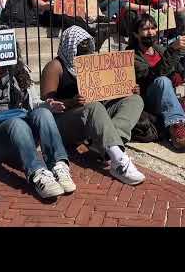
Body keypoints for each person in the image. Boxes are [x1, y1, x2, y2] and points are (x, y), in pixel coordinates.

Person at [0, 27, 76, 199]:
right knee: (17, 123)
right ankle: (38, 174)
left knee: (43, 114)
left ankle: (58, 165)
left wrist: (49, 106)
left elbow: (33, 104)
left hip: (22, 129)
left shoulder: (19, 70)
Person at [40, 25, 146, 185]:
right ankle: (118, 161)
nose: (86, 49)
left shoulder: (91, 63)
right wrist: (71, 102)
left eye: (88, 44)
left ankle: (106, 144)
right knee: (94, 107)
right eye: (81, 46)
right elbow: (47, 106)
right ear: (70, 45)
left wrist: (126, 88)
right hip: (64, 122)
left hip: (92, 116)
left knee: (135, 100)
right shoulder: (55, 67)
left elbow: (105, 91)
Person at [127, 14, 185, 150]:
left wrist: (177, 74)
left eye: (153, 28)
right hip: (147, 99)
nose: (150, 32)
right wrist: (172, 50)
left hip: (168, 96)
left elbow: (179, 69)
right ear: (136, 34)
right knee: (162, 81)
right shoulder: (131, 55)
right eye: (145, 29)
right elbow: (152, 75)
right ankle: (176, 127)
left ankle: (176, 123)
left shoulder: (159, 49)